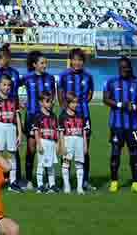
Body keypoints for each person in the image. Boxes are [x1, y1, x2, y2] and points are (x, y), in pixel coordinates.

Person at [103, 55, 137, 193]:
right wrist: (120, 104)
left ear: (129, 68)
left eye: (126, 67)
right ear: (118, 68)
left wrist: (133, 107)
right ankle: (114, 181)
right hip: (116, 125)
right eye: (121, 67)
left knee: (134, 154)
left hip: (133, 125)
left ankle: (135, 183)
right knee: (115, 153)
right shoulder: (112, 82)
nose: (124, 69)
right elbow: (106, 99)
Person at [57, 47, 95, 190]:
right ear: (70, 60)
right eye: (75, 60)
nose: (77, 63)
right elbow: (60, 93)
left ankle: (84, 180)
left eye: (80, 60)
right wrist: (65, 110)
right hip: (67, 118)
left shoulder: (88, 76)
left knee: (84, 149)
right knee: (65, 148)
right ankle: (65, 181)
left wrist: (83, 104)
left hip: (84, 116)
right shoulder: (64, 76)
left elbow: (90, 92)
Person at [20, 51, 56, 190]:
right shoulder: (27, 77)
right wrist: (19, 102)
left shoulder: (50, 78)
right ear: (34, 64)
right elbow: (12, 89)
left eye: (45, 63)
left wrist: (50, 107)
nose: (44, 65)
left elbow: (52, 96)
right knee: (31, 149)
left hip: (47, 119)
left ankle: (47, 181)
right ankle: (29, 180)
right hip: (31, 116)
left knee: (47, 148)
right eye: (42, 63)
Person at [0, 74, 21, 190]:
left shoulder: (14, 99)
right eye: (4, 85)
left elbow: (17, 117)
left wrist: (20, 134)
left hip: (11, 127)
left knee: (12, 154)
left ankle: (13, 182)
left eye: (8, 85)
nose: (6, 87)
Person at [58, 92, 88, 194]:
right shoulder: (62, 116)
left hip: (79, 141)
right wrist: (62, 146)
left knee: (79, 164)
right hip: (67, 141)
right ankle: (67, 186)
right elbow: (61, 133)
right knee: (66, 163)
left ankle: (80, 187)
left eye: (76, 102)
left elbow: (84, 131)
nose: (75, 105)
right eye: (73, 103)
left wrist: (85, 145)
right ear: (67, 103)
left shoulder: (80, 115)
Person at [31, 91, 59, 194]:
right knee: (41, 164)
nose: (49, 103)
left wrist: (57, 143)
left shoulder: (53, 116)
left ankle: (52, 185)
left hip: (51, 142)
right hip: (43, 142)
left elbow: (56, 130)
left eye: (51, 101)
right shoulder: (38, 116)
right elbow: (36, 131)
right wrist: (38, 144)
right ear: (41, 102)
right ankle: (40, 185)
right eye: (47, 101)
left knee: (51, 165)